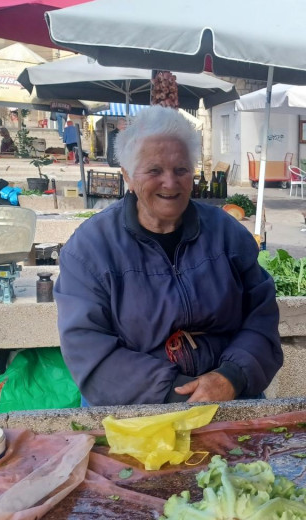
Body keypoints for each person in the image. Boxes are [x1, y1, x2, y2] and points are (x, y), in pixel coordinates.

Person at [54, 106, 283, 405]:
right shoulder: (91, 248)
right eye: (154, 170)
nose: (170, 183)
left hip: (229, 393)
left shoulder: (225, 232)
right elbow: (87, 346)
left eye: (181, 170)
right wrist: (180, 392)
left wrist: (232, 376)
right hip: (136, 401)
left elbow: (261, 314)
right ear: (128, 176)